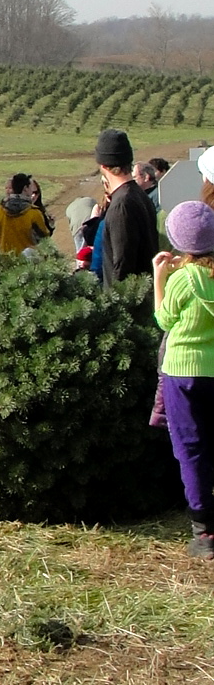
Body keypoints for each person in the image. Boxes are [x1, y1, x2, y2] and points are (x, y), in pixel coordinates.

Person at [152, 200, 214, 559]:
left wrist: (160, 278)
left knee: (190, 447)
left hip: (182, 371)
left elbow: (163, 320)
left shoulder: (183, 279)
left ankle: (203, 530)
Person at [93, 129, 158, 287]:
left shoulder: (121, 205)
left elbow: (122, 268)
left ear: (103, 165)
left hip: (128, 304)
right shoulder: (139, 195)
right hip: (145, 296)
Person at [0, 173, 52, 254]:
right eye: (30, 188)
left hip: (5, 261)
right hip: (28, 263)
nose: (31, 191)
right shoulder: (34, 213)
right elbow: (44, 239)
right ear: (25, 188)